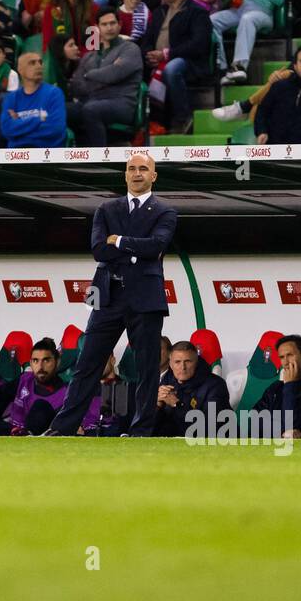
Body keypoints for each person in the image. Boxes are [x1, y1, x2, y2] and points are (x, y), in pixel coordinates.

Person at [47, 154, 177, 434]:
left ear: (154, 176)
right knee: (87, 365)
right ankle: (63, 428)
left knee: (147, 368)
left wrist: (118, 240)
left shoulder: (165, 211)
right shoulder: (106, 208)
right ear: (125, 175)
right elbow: (98, 250)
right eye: (132, 169)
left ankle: (140, 431)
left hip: (146, 298)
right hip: (106, 294)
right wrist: (133, 248)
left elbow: (155, 246)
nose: (137, 173)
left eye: (144, 169)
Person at [142, 0, 214, 135]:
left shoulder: (197, 12)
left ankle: (184, 118)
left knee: (172, 68)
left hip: (189, 62)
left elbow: (199, 44)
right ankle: (146, 126)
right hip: (158, 62)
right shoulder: (159, 12)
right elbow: (146, 42)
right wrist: (149, 55)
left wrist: (167, 54)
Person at [68, 10, 143, 146]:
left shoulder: (130, 49)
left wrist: (89, 75)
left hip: (121, 103)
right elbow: (76, 86)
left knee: (91, 110)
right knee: (63, 110)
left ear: (119, 25)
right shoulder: (90, 56)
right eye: (104, 24)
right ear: (97, 28)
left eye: (112, 23)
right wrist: (104, 75)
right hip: (91, 100)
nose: (109, 28)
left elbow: (114, 74)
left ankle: (99, 158)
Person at [131, 339, 231, 438]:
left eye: (188, 361)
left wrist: (176, 404)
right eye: (177, 362)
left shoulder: (215, 385)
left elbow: (211, 429)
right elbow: (152, 431)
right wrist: (157, 406)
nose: (182, 367)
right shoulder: (167, 381)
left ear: (196, 362)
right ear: (170, 364)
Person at [249, 335, 301, 438]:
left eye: (290, 355)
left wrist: (290, 385)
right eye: (282, 357)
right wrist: (281, 432)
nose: (285, 362)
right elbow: (253, 419)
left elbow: (293, 424)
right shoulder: (275, 387)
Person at [255, 48, 301, 145]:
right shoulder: (279, 86)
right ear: (295, 66)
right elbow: (262, 112)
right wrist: (262, 132)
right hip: (274, 148)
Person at [1, 50, 67, 147]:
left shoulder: (54, 93)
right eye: (32, 63)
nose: (38, 66)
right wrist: (39, 119)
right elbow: (7, 130)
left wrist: (19, 127)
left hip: (47, 155)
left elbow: (56, 128)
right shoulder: (11, 98)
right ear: (20, 69)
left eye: (40, 62)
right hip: (18, 157)